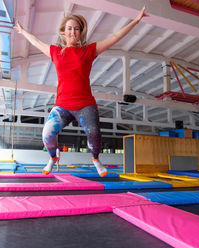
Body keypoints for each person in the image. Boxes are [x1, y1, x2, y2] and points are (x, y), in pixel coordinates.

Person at [14, 6, 148, 176]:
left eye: (76, 29)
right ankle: (53, 157)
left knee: (93, 131)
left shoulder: (88, 51)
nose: (72, 32)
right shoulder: (57, 52)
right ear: (63, 32)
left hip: (85, 104)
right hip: (62, 105)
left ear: (80, 33)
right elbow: (36, 42)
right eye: (69, 28)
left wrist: (136, 20)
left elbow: (114, 37)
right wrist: (23, 31)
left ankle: (96, 159)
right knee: (47, 133)